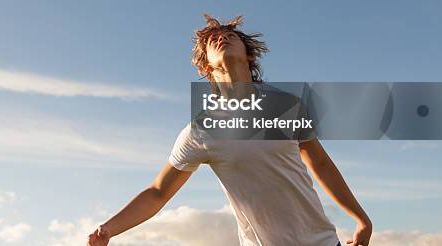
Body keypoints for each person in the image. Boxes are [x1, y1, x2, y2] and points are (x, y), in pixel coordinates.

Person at [87, 14, 372, 246]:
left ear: (249, 56)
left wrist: (361, 219)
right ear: (207, 66)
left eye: (230, 36)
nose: (222, 37)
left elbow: (320, 163)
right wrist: (110, 229)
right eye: (213, 40)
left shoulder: (286, 105)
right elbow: (158, 192)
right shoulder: (202, 129)